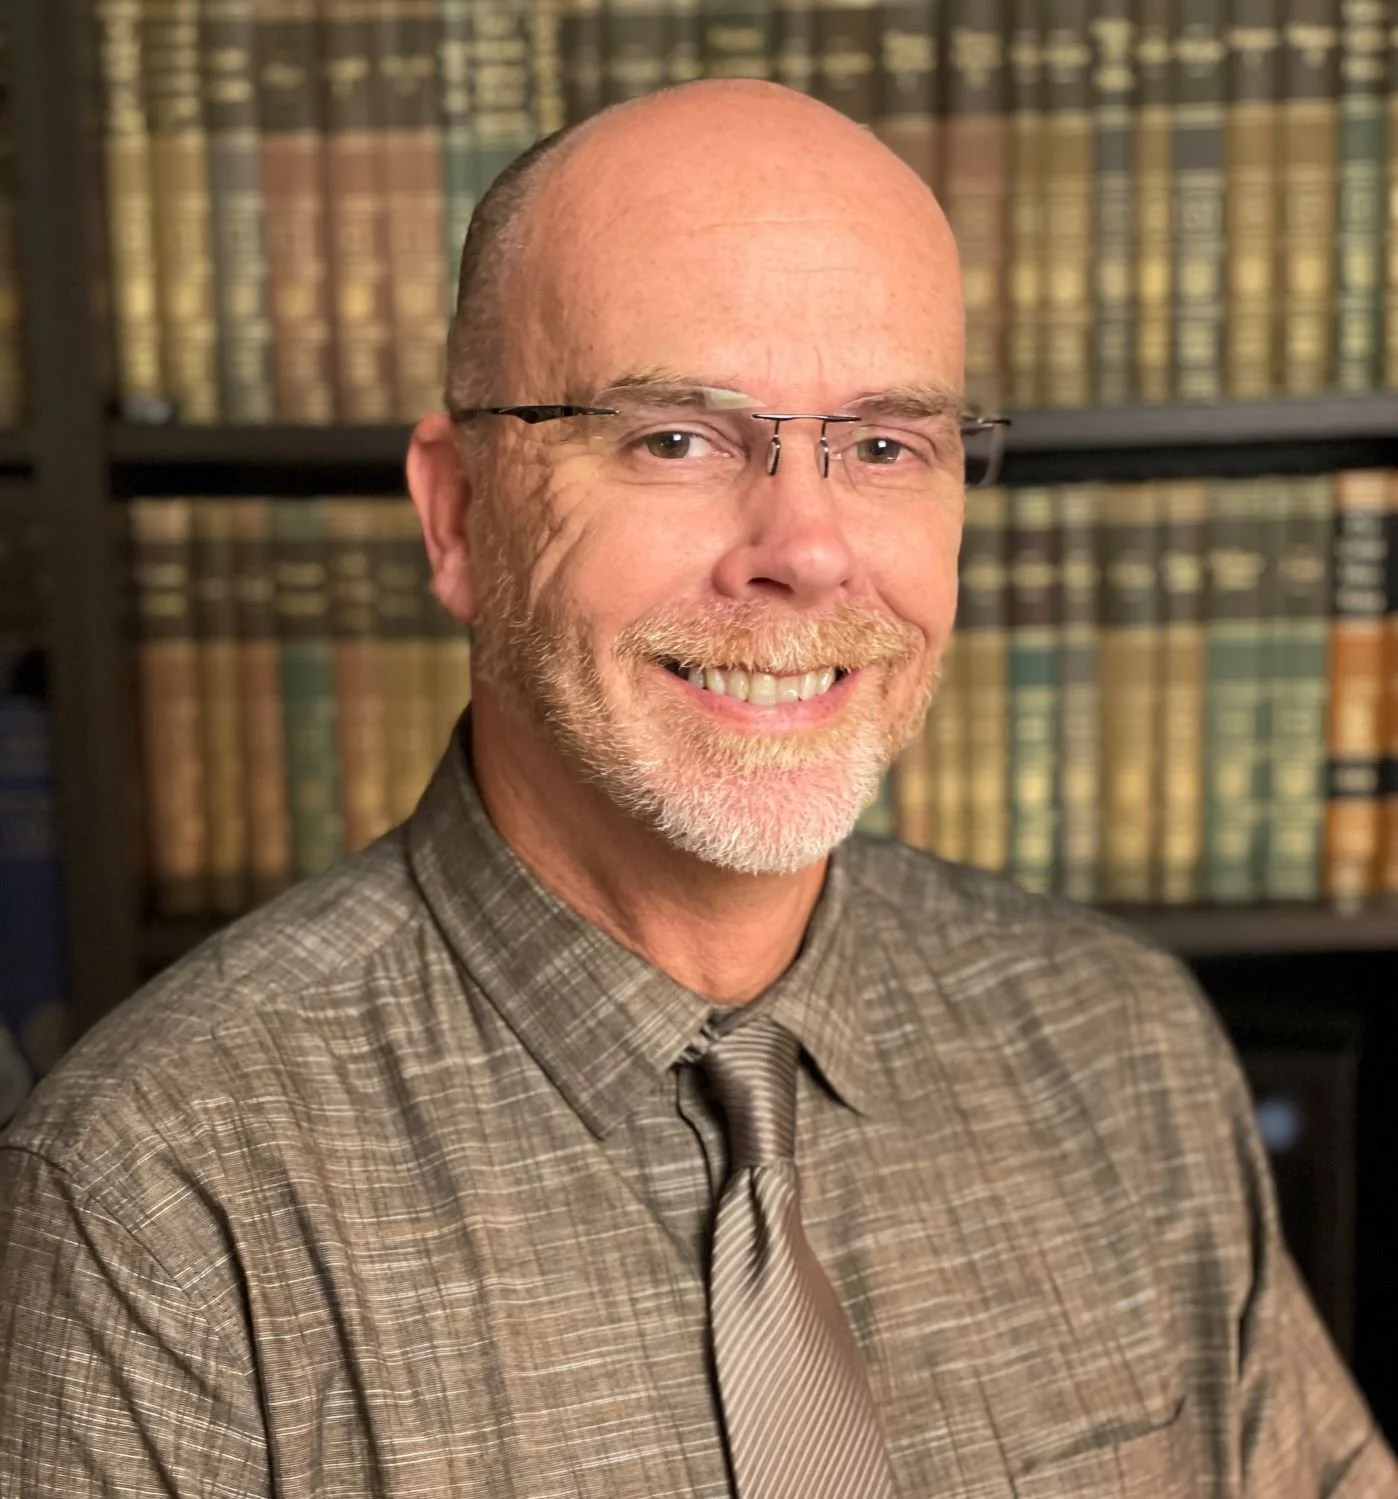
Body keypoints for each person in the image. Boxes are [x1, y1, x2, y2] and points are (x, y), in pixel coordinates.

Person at [0, 80, 1392, 1499]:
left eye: (883, 444)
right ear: (460, 514)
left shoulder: (1125, 1048)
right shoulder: (154, 1205)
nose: (804, 546)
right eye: (675, 436)